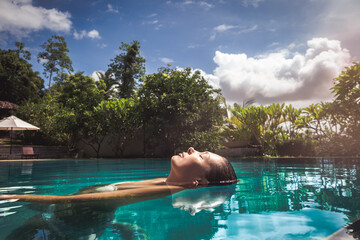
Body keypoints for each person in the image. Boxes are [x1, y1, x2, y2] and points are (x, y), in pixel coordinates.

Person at [0, 147, 237, 204]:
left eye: (203, 156)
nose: (193, 149)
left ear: (198, 182)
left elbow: (72, 201)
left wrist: (12, 197)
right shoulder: (163, 182)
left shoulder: (165, 190)